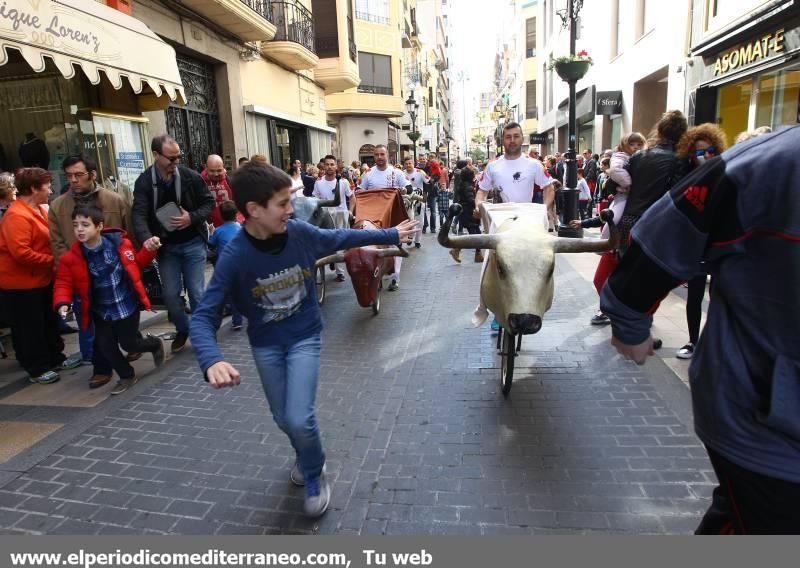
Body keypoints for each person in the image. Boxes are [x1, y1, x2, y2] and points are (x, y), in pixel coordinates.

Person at [189, 162, 419, 518]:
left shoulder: (298, 233)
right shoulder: (234, 255)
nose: (291, 209)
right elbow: (203, 316)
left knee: (299, 417)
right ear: (253, 210)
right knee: (283, 418)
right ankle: (305, 453)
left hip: (304, 338)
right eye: (282, 203)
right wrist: (212, 359)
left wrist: (389, 234)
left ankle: (315, 472)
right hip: (266, 346)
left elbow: (339, 239)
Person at [601, 125, 800, 534]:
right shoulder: (763, 164)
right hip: (766, 421)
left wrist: (631, 315)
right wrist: (630, 316)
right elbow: (662, 234)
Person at [53, 206, 165, 393]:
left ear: (99, 226)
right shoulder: (71, 258)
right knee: (106, 347)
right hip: (101, 311)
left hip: (126, 306)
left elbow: (136, 265)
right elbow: (63, 282)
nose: (79, 229)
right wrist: (62, 302)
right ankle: (126, 375)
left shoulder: (121, 244)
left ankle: (153, 344)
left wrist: (149, 250)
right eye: (75, 225)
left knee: (129, 343)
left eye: (85, 225)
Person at [49, 154, 136, 371]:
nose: (74, 180)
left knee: (120, 317)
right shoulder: (58, 206)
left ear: (92, 174)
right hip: (81, 275)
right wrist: (67, 276)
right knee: (90, 322)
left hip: (113, 273)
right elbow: (57, 243)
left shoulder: (114, 200)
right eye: (69, 176)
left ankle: (132, 343)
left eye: (79, 175)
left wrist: (132, 265)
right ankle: (101, 367)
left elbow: (130, 236)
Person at [132, 135, 215, 354]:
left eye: (178, 157)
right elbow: (138, 215)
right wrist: (146, 238)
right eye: (171, 158)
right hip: (166, 248)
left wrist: (192, 217)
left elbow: (209, 202)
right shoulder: (144, 182)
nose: (175, 162)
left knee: (197, 293)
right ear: (156, 155)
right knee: (170, 296)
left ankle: (201, 333)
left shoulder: (190, 176)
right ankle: (183, 329)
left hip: (193, 243)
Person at [474, 122, 556, 330]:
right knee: (490, 261)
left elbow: (548, 187)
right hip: (501, 219)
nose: (512, 140)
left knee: (539, 262)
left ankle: (537, 303)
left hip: (528, 217)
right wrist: (479, 206)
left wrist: (544, 209)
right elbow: (481, 192)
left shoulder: (534, 165)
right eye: (508, 137)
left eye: (516, 136)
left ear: (522, 138)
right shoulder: (493, 166)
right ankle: (491, 306)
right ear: (503, 140)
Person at [0, 168, 72, 384]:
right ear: (33, 188)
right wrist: (53, 261)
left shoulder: (39, 209)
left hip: (41, 279)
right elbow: (21, 253)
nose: (51, 190)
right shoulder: (16, 215)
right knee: (29, 327)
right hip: (21, 283)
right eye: (47, 186)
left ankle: (54, 358)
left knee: (47, 321)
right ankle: (36, 368)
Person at [672, 123, 727, 360]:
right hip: (696, 243)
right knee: (694, 296)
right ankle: (693, 341)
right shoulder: (684, 176)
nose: (706, 156)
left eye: (710, 150)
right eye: (699, 152)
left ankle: (715, 343)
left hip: (720, 243)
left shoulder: (726, 173)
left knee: (719, 296)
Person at [618, 111, 688, 256]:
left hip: (630, 220)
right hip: (658, 224)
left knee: (626, 269)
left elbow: (614, 185)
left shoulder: (638, 156)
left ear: (659, 131)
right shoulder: (680, 160)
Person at [359, 146, 409, 291]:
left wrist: (405, 189)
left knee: (395, 244)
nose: (379, 157)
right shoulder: (367, 174)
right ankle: (377, 273)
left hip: (393, 214)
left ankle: (395, 278)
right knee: (374, 244)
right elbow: (359, 190)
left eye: (382, 154)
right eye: (376, 155)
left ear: (387, 155)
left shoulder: (396, 172)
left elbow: (408, 187)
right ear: (374, 157)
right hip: (374, 215)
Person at [313, 155, 355, 282]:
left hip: (340, 217)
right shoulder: (318, 183)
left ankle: (340, 272)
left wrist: (350, 211)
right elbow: (314, 200)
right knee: (327, 244)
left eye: (332, 164)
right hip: (325, 217)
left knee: (339, 245)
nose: (330, 167)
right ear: (323, 166)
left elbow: (352, 197)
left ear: (336, 166)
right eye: (327, 164)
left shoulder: (343, 182)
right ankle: (331, 259)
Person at [208, 201, 243, 331]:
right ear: (236, 214)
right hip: (241, 264)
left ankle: (236, 319)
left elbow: (211, 244)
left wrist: (210, 232)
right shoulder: (240, 228)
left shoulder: (218, 231)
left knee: (230, 293)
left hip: (226, 266)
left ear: (221, 216)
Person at [450, 164, 483, 264]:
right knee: (475, 234)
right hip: (469, 213)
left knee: (476, 233)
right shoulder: (467, 186)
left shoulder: (464, 184)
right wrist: (479, 203)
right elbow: (470, 200)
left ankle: (477, 254)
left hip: (467, 212)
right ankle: (457, 249)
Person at [202, 154, 236, 228]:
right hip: (209, 229)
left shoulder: (229, 181)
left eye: (219, 170)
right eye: (212, 171)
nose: (216, 174)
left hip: (229, 227)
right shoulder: (199, 182)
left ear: (223, 168)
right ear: (206, 168)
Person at [401, 156, 428, 249]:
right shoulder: (401, 173)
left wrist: (425, 196)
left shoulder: (420, 172)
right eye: (406, 164)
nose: (408, 165)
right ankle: (410, 237)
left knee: (419, 221)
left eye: (410, 163)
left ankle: (417, 241)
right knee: (409, 220)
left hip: (418, 198)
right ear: (404, 165)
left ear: (413, 163)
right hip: (407, 199)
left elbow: (428, 182)